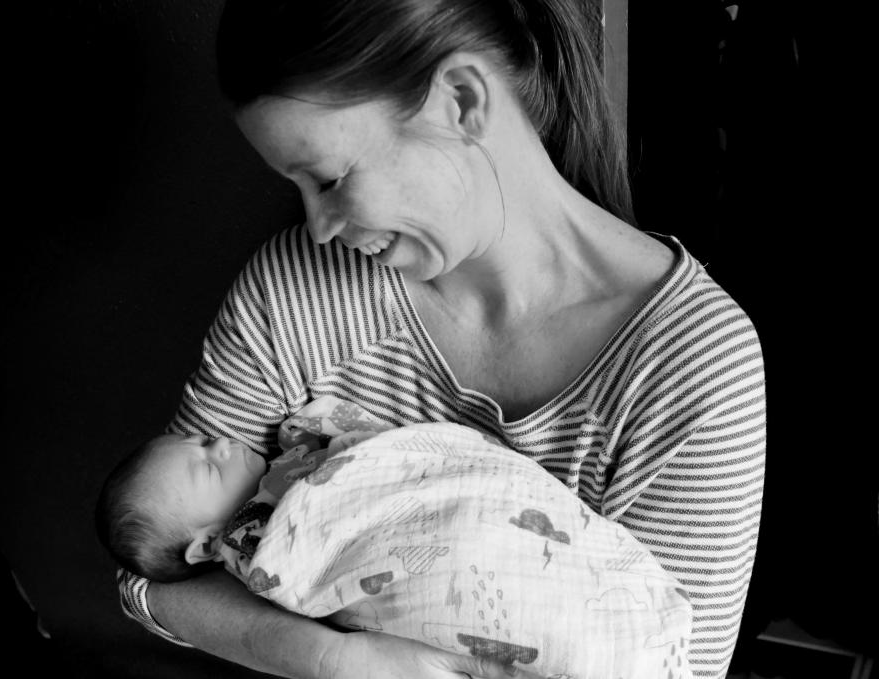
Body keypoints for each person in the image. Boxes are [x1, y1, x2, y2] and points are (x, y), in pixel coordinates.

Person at [115, 1, 766, 678]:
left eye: (330, 179)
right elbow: (153, 566)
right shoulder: (295, 290)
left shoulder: (693, 364)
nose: (316, 227)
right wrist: (339, 659)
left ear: (461, 99)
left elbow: (669, 664)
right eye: (298, 187)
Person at [99, 396, 693, 679]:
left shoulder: (291, 455)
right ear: (205, 545)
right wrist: (337, 660)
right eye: (205, 461)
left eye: (205, 438)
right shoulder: (258, 549)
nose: (221, 442)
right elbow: (140, 587)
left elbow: (377, 453)